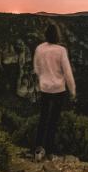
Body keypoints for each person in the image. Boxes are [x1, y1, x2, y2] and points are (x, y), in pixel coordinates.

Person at [32, 23, 77, 162]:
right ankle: (50, 152)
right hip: (58, 90)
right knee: (53, 121)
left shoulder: (39, 49)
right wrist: (72, 90)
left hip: (45, 88)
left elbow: (36, 68)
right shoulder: (61, 50)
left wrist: (43, 78)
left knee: (43, 118)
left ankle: (38, 150)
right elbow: (67, 72)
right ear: (57, 35)